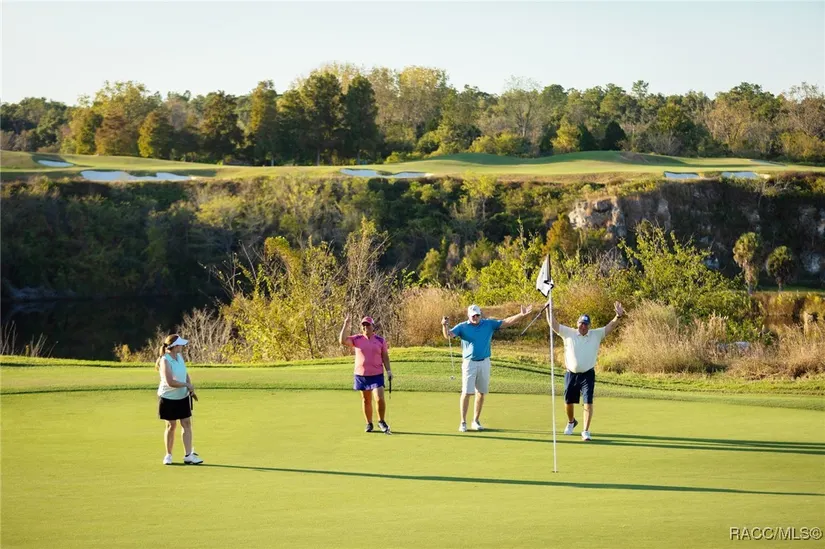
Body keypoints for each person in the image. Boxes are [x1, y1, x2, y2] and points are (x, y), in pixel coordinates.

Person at [441, 304, 533, 432]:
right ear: (468, 316)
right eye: (473, 316)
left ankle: (475, 421)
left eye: (477, 315)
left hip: (484, 362)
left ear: (480, 315)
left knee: (481, 392)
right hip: (469, 363)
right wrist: (444, 326)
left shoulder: (488, 324)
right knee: (466, 392)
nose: (475, 317)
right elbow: (448, 335)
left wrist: (521, 315)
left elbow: (506, 322)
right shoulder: (462, 327)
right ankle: (463, 422)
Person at [546, 301, 624, 441]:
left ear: (589, 326)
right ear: (577, 324)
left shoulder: (596, 334)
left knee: (588, 401)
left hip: (588, 374)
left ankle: (586, 431)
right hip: (571, 373)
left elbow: (610, 327)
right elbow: (554, 325)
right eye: (581, 324)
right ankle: (571, 422)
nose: (583, 326)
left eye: (586, 324)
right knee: (568, 402)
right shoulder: (568, 333)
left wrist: (617, 316)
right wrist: (548, 310)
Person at [339, 314, 393, 434]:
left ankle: (381, 421)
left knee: (379, 398)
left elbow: (385, 356)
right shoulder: (357, 339)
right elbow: (342, 340)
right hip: (361, 375)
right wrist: (345, 324)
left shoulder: (380, 340)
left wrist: (389, 371)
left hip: (377, 374)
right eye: (363, 325)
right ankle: (369, 423)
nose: (365, 327)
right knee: (366, 400)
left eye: (368, 325)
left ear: (373, 326)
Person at [156, 334, 203, 465]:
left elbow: (185, 373)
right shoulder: (165, 360)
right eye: (180, 344)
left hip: (182, 397)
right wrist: (186, 385)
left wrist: (190, 387)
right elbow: (170, 382)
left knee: (186, 424)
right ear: (175, 346)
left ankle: (188, 455)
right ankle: (168, 455)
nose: (182, 346)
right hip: (168, 397)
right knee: (171, 425)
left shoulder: (179, 357)